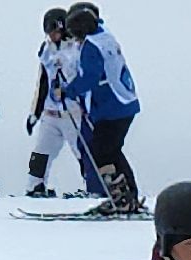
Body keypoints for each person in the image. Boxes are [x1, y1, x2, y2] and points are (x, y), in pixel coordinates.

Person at [59, 3, 142, 214]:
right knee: (112, 150)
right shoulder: (105, 36)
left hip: (111, 107)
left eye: (75, 35)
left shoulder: (91, 46)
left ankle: (120, 198)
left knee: (101, 152)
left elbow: (89, 77)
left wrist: (67, 91)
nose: (75, 39)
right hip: (125, 102)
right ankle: (129, 194)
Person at [25, 8, 99, 197]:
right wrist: (35, 112)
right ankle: (35, 187)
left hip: (72, 111)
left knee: (82, 152)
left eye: (54, 31)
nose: (52, 35)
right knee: (41, 152)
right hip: (50, 113)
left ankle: (92, 187)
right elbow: (43, 81)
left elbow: (86, 78)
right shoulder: (46, 49)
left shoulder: (77, 46)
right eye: (49, 32)